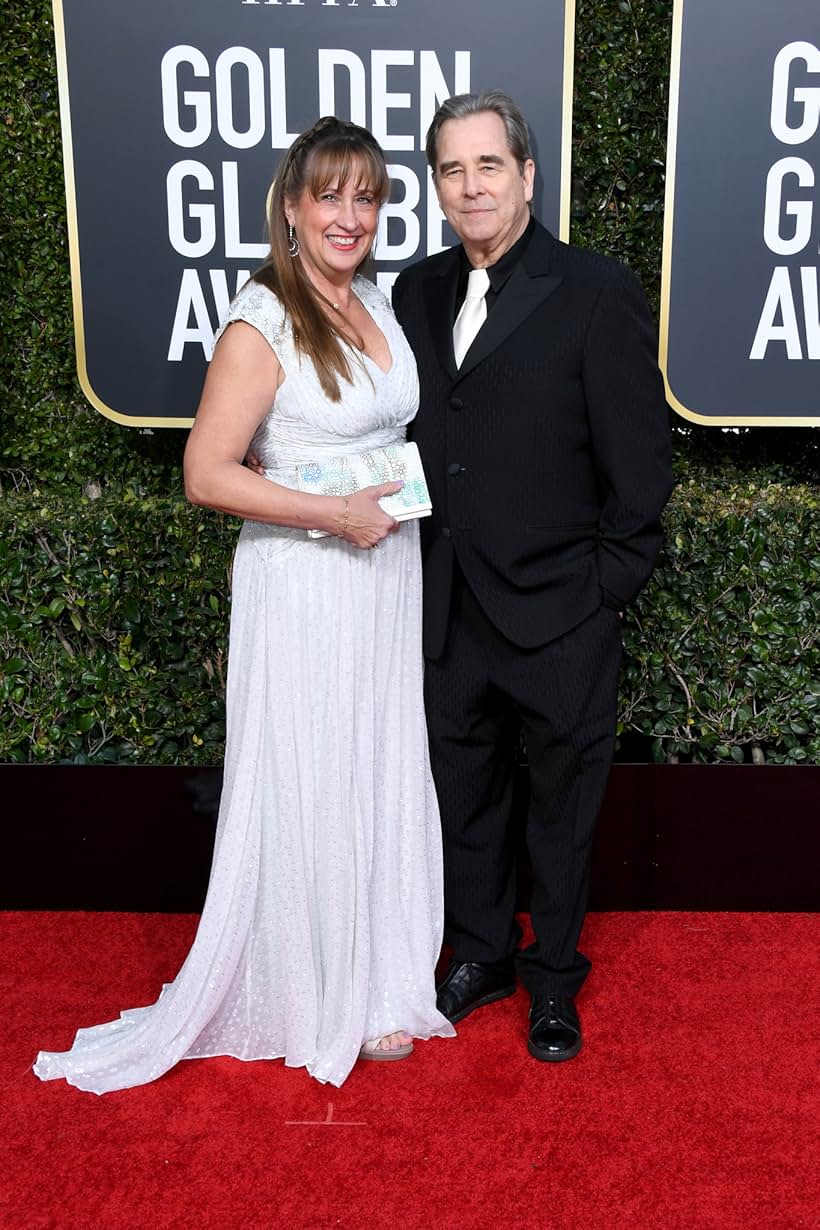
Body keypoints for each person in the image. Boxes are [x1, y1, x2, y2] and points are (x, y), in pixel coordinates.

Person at [33, 116, 454, 1093]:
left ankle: (379, 976)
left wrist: (374, 515)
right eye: (330, 196)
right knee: (312, 767)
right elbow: (205, 474)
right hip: (307, 578)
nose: (349, 215)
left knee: (370, 760)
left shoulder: (380, 303)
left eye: (367, 196)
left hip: (386, 573)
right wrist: (332, 515)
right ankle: (315, 993)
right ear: (292, 211)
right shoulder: (262, 318)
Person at [392, 91, 673, 1061]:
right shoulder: (415, 291)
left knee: (562, 806)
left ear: (527, 174)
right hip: (446, 604)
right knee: (462, 794)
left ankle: (553, 977)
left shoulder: (596, 290)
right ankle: (479, 954)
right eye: (450, 170)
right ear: (435, 184)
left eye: (487, 166)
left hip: (561, 614)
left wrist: (603, 595)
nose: (469, 186)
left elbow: (640, 469)